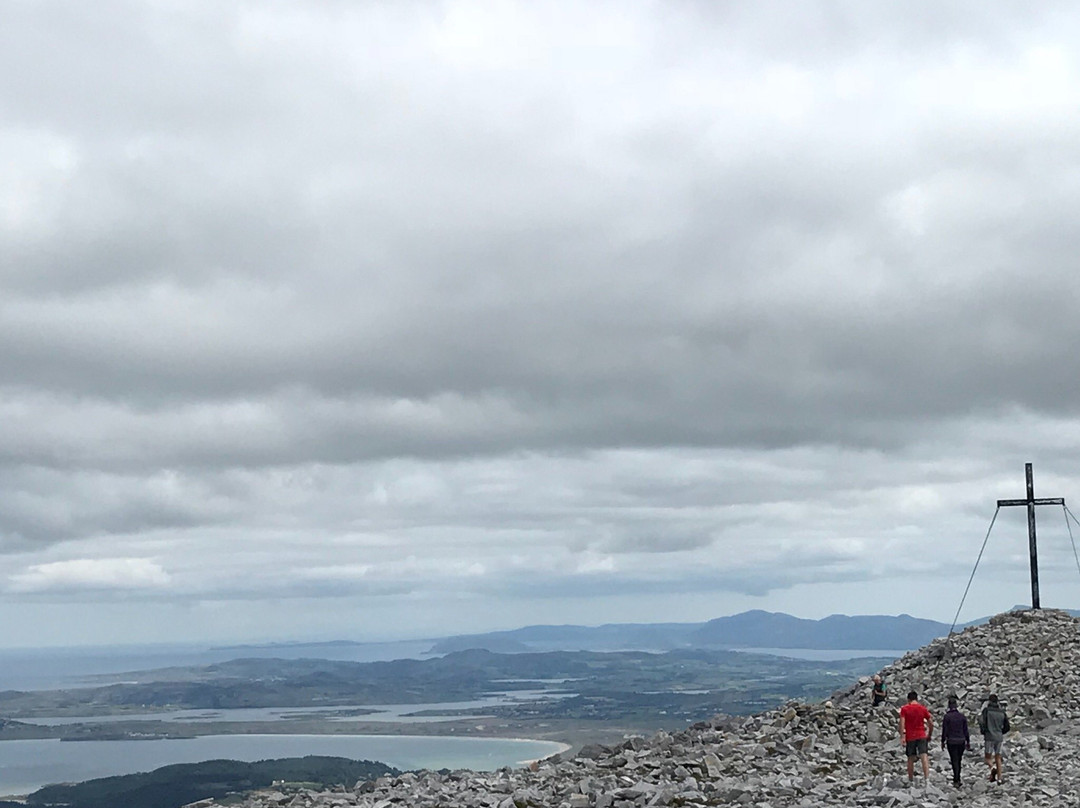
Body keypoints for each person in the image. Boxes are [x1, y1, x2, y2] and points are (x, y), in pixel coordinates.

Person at [899, 690, 934, 785]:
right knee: (924, 755)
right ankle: (927, 778)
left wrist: (902, 736)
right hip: (921, 734)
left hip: (910, 736)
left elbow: (902, 723)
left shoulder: (905, 709)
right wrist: (929, 734)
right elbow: (931, 723)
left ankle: (910, 779)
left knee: (910, 757)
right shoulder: (922, 708)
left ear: (908, 699)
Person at [979, 693, 1010, 783]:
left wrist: (984, 731)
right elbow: (1007, 726)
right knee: (998, 757)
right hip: (999, 736)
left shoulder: (986, 711)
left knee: (988, 758)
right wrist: (1001, 732)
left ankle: (993, 768)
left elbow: (982, 722)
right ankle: (999, 777)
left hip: (989, 736)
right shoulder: (1002, 712)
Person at [940, 696, 970, 787]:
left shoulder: (947, 717)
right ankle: (958, 777)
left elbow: (945, 730)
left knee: (954, 760)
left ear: (949, 706)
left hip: (951, 741)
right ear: (956, 706)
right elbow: (966, 730)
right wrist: (968, 741)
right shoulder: (962, 717)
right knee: (959, 759)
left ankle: (956, 779)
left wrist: (942, 741)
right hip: (961, 740)